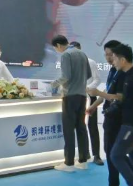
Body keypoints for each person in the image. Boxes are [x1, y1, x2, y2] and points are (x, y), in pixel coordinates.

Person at [91, 43, 133, 186]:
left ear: (122, 59)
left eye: (114, 57)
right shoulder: (126, 75)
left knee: (116, 155)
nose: (112, 60)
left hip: (132, 125)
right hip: (127, 122)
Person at [50, 35, 91, 172]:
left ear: (58, 45)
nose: (57, 51)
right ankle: (83, 161)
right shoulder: (82, 54)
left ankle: (69, 163)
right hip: (82, 95)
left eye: (55, 48)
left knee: (68, 129)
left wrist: (54, 84)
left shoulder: (66, 55)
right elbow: (88, 75)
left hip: (70, 96)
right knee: (81, 127)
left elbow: (65, 76)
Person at [87, 40, 125, 186]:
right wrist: (94, 105)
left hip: (119, 118)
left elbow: (119, 97)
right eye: (106, 55)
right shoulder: (112, 71)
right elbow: (108, 91)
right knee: (110, 151)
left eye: (111, 54)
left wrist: (97, 93)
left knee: (114, 152)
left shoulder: (123, 73)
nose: (108, 58)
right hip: (109, 116)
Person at [70, 41, 103, 166]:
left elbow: (97, 79)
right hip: (76, 97)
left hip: (90, 97)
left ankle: (96, 155)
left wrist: (87, 88)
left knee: (92, 126)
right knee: (80, 126)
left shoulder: (90, 62)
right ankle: (85, 152)